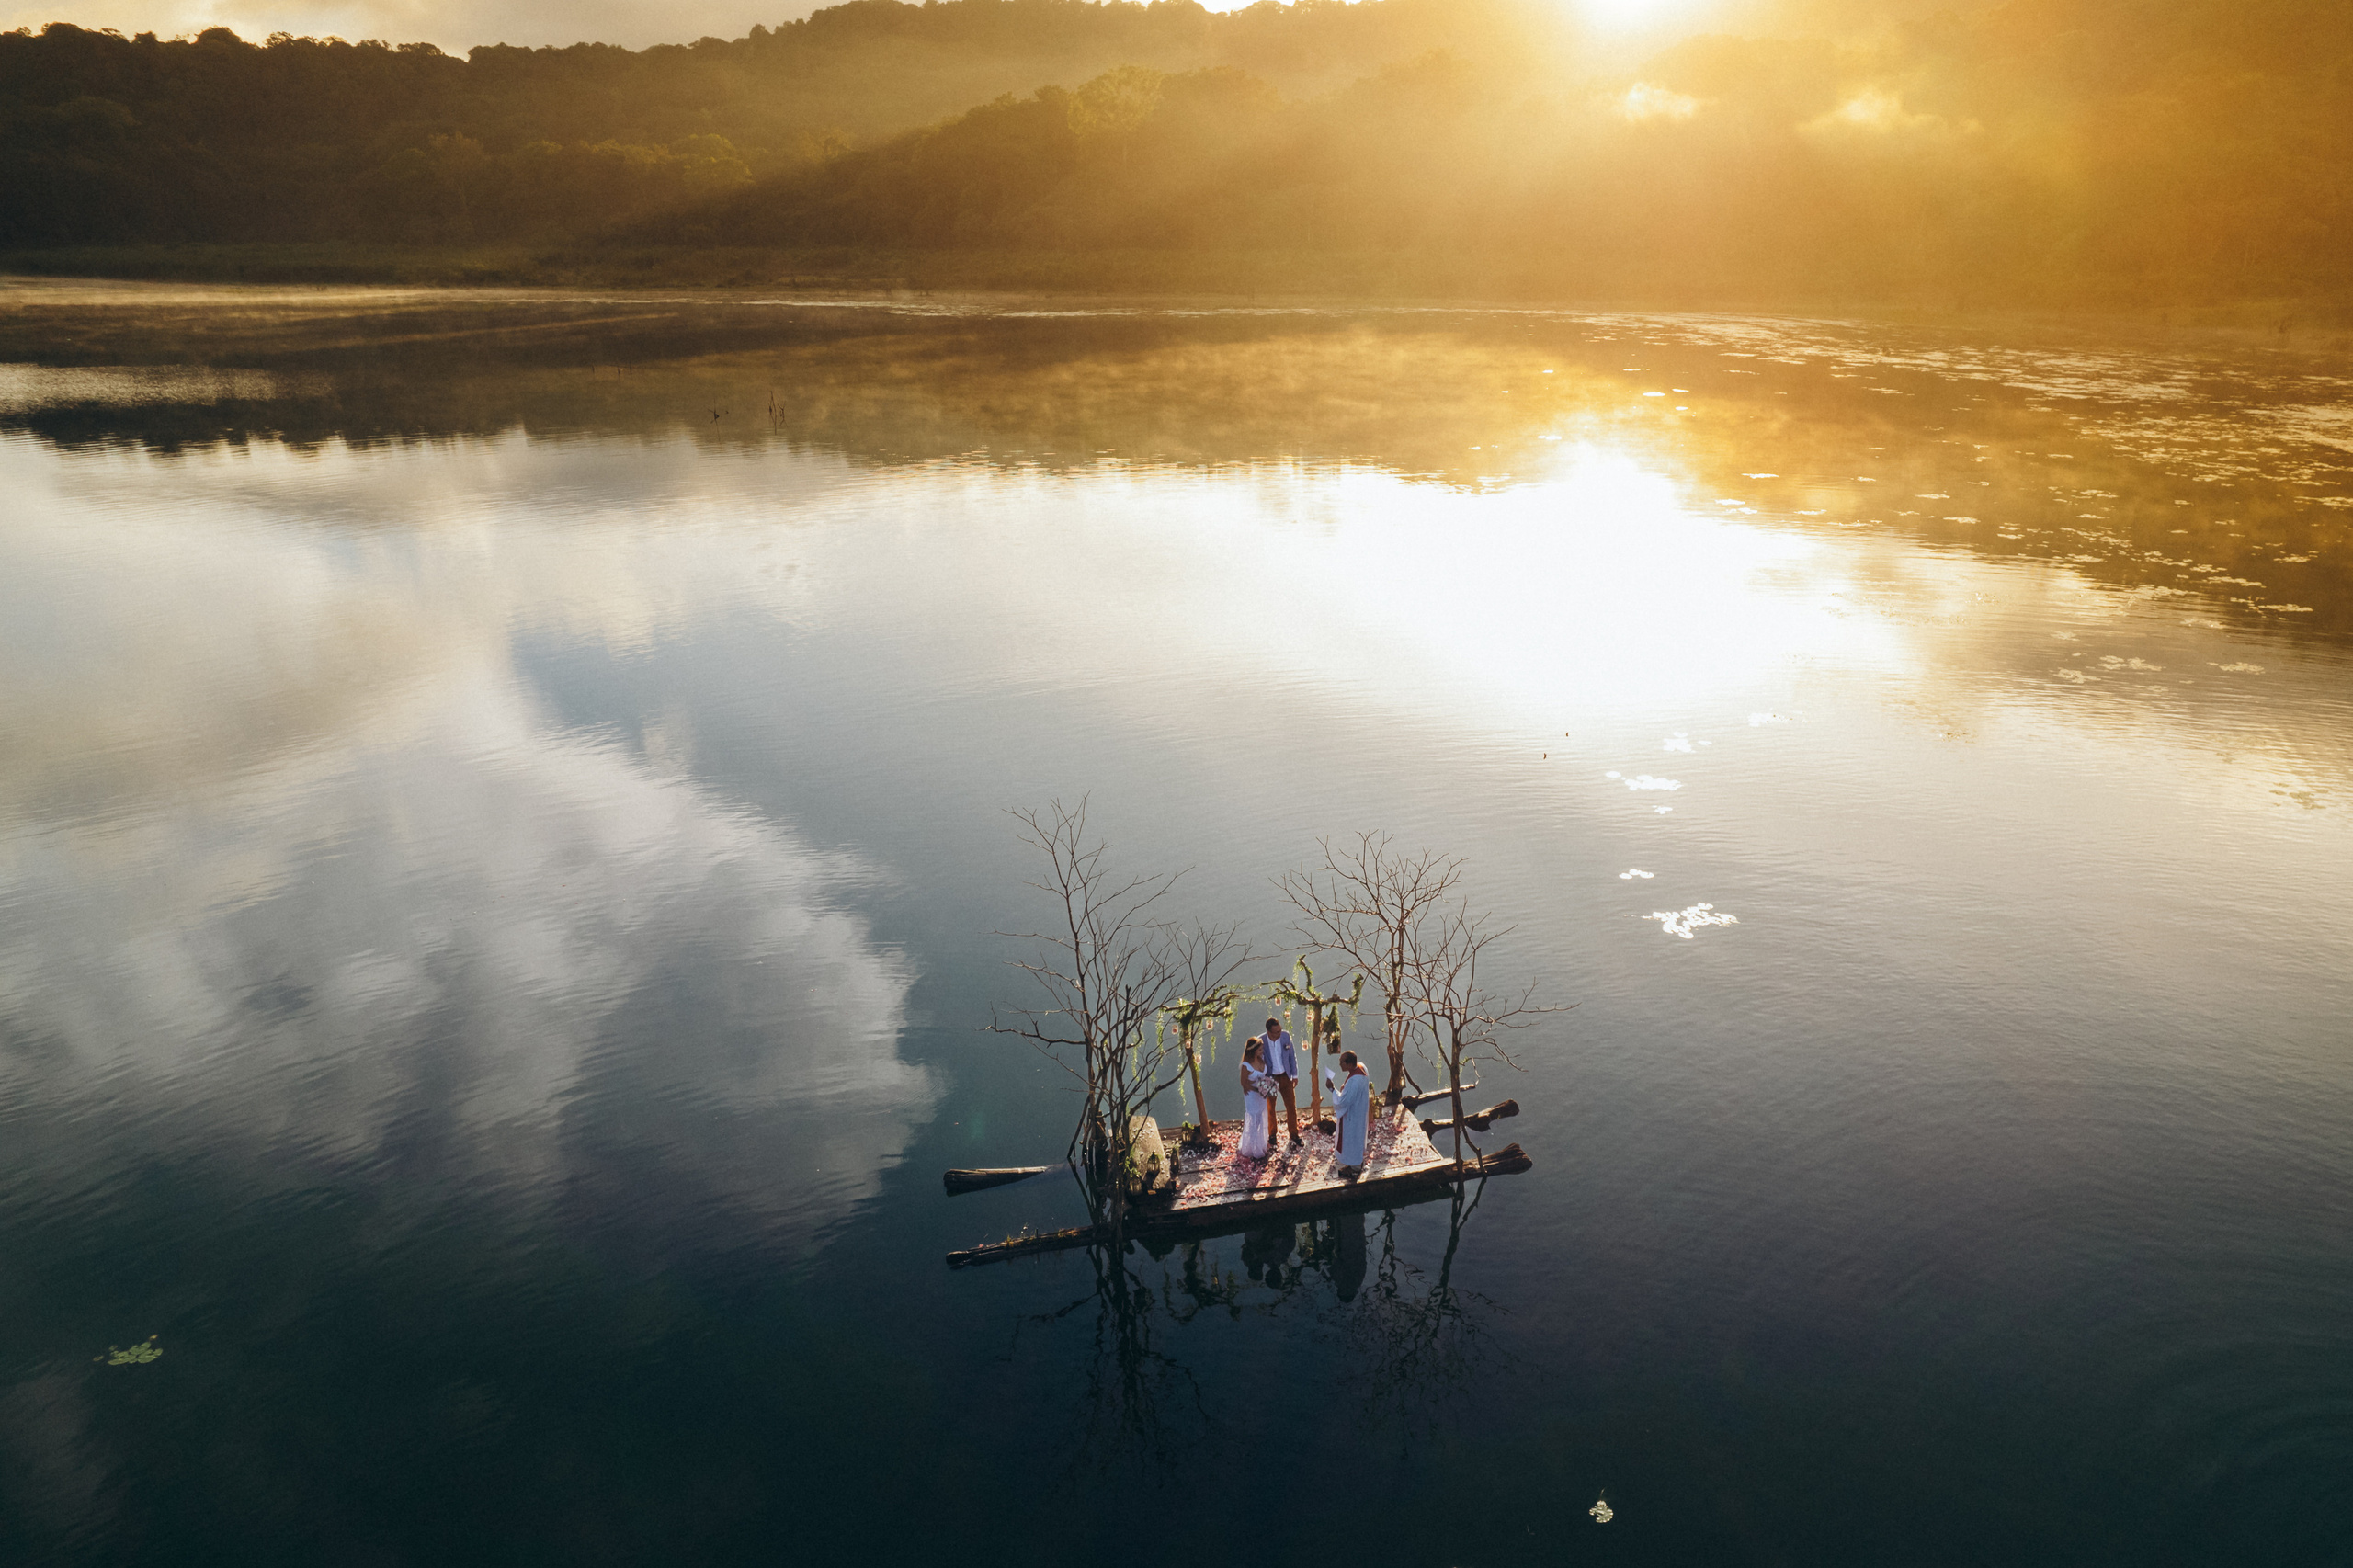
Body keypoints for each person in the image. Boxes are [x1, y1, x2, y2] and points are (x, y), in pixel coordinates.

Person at [1262, 1016, 1302, 1146]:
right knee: (1270, 1108)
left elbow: (1292, 1056)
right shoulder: (1261, 1040)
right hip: (1269, 1077)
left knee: (1291, 1106)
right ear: (1269, 1032)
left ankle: (1294, 1134)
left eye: (1280, 1030)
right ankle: (1272, 1135)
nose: (1279, 1033)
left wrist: (1294, 1075)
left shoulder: (1285, 1036)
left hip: (1285, 1075)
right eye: (1276, 1032)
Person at [1332, 1050, 1371, 1178]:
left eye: (1341, 1062)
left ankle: (1354, 1168)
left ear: (1349, 1064)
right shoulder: (1362, 1067)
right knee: (1357, 1137)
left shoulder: (1354, 1081)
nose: (1339, 1064)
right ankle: (1356, 1163)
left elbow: (1343, 1102)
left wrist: (1332, 1089)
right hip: (1360, 1110)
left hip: (1352, 1115)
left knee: (1351, 1139)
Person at [1236, 1038, 1275, 1162]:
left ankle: (1261, 1144)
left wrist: (1268, 1087)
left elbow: (1265, 1076)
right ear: (1253, 1051)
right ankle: (1252, 1148)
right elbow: (1244, 1083)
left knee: (1261, 1117)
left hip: (1261, 1095)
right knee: (1254, 1118)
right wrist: (1258, 1090)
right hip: (1252, 1095)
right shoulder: (1246, 1066)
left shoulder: (1261, 1059)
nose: (1262, 1051)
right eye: (1260, 1050)